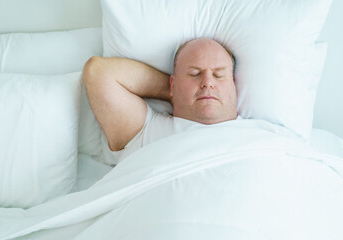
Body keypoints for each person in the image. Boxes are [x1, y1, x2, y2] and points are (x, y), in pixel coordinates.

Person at [83, 38, 238, 164]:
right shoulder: (145, 133)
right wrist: (176, 93)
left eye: (218, 75)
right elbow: (98, 72)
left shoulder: (259, 134)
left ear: (234, 84)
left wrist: (185, 92)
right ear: (172, 84)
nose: (208, 82)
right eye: (194, 74)